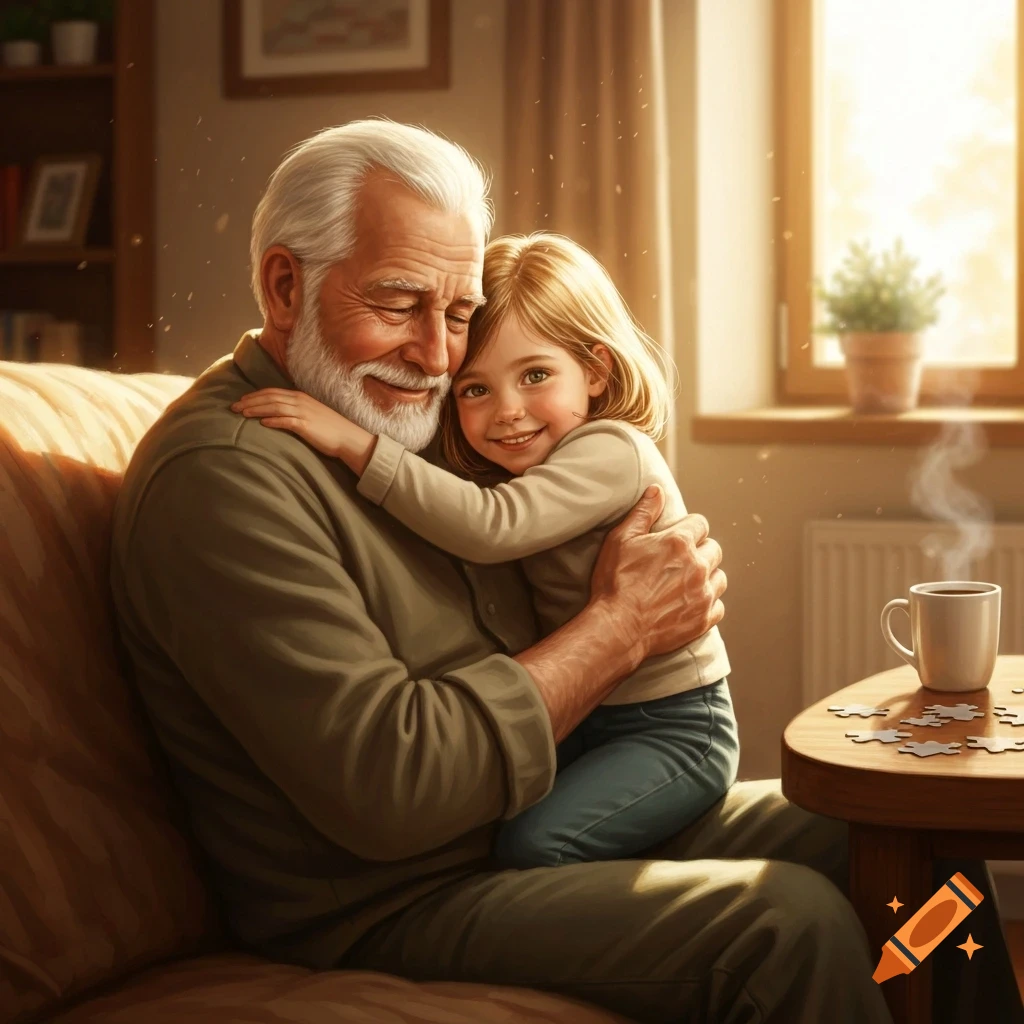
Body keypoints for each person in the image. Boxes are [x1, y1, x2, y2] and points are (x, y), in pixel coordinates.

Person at [109, 119, 1023, 1024]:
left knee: (912, 839)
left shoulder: (402, 421)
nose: (437, 357)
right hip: (398, 894)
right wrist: (623, 627)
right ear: (284, 284)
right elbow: (390, 789)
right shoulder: (225, 478)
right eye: (396, 304)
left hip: (537, 806)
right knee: (786, 926)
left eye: (458, 313)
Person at [231, 230, 740, 871]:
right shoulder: (522, 464)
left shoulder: (611, 451)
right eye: (475, 389)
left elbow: (490, 525)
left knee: (537, 843)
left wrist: (353, 442)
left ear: (596, 370)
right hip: (594, 717)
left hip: (674, 725)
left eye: (535, 375)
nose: (507, 412)